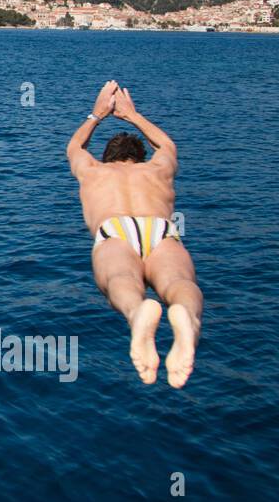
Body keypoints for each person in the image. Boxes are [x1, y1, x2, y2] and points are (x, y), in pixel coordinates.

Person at [66, 81, 203, 388]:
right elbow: (166, 146)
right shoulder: (157, 169)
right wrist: (133, 115)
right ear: (141, 158)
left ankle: (137, 313)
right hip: (160, 229)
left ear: (105, 157)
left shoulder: (93, 170)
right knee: (179, 284)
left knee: (120, 281)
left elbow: (74, 147)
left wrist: (96, 114)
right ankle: (187, 320)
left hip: (115, 230)